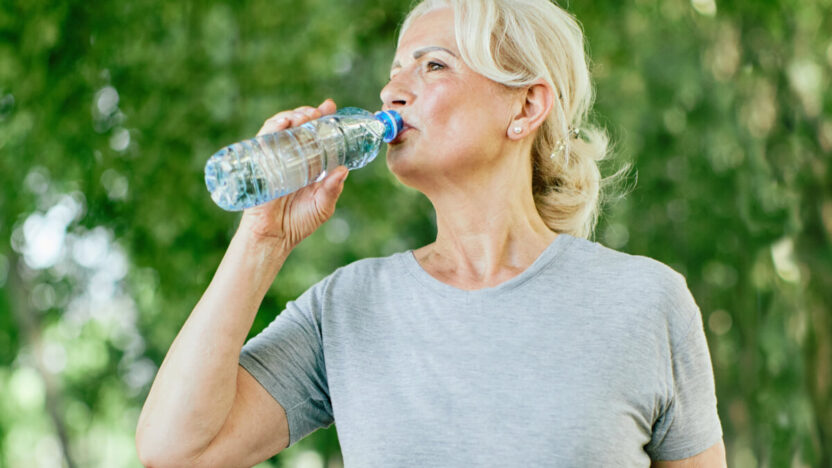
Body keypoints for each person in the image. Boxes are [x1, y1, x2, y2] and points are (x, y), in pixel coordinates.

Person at [136, 0, 726, 466]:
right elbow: (178, 450)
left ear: (524, 108)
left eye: (434, 64)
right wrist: (262, 238)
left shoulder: (647, 303)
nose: (393, 91)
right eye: (396, 70)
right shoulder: (346, 308)